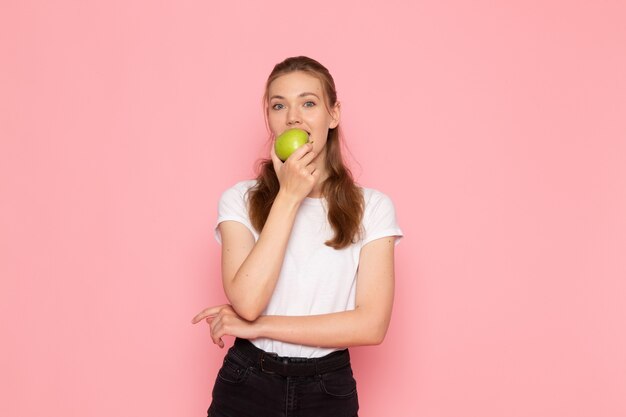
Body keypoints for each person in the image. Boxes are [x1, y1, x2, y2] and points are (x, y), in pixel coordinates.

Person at [192, 56, 403, 417]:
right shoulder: (239, 200)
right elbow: (246, 300)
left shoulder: (373, 207)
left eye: (308, 103)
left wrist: (255, 327)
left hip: (328, 389)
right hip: (247, 382)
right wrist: (289, 196)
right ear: (270, 118)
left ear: (333, 115)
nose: (293, 117)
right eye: (279, 105)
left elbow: (372, 325)